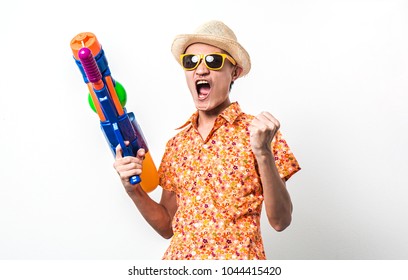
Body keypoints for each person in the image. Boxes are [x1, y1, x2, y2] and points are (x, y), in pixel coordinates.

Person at [113, 20, 300, 260]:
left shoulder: (259, 134)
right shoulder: (178, 144)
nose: (200, 70)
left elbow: (281, 221)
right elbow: (166, 227)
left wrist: (263, 152)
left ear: (235, 72)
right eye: (191, 62)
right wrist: (133, 191)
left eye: (213, 61)